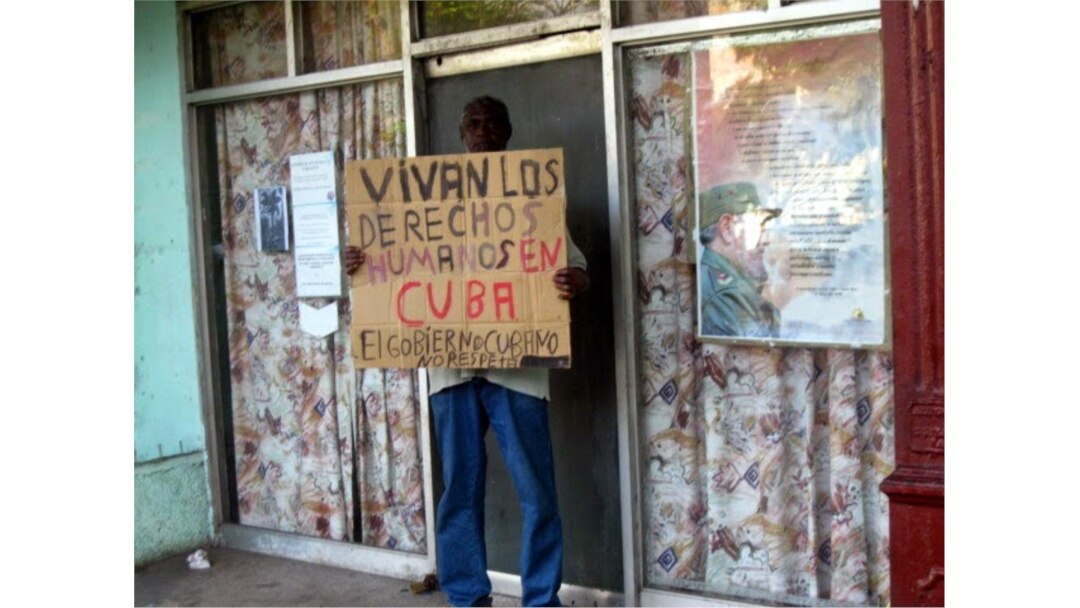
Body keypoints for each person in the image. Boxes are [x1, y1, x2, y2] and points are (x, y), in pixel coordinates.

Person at [344, 95, 589, 607]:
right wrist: (362, 263)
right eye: (472, 123)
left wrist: (574, 279)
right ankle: (467, 597)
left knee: (536, 493)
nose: (482, 131)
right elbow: (395, 264)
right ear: (462, 133)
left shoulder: (533, 198)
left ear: (508, 131)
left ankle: (541, 599)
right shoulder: (425, 204)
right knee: (459, 492)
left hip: (517, 370)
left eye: (492, 122)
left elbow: (576, 267)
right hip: (452, 370)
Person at [697, 181, 781, 338]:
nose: (766, 239)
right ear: (727, 228)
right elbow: (760, 358)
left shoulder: (729, 287)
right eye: (760, 224)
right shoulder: (724, 296)